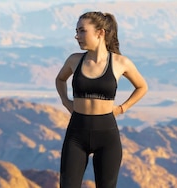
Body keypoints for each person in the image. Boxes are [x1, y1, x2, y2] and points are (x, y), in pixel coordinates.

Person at [55, 11, 148, 188]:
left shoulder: (121, 62)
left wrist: (122, 108)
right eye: (77, 31)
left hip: (107, 135)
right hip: (76, 133)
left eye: (82, 31)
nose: (77, 36)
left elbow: (142, 86)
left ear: (100, 32)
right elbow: (60, 79)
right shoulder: (74, 60)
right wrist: (65, 101)